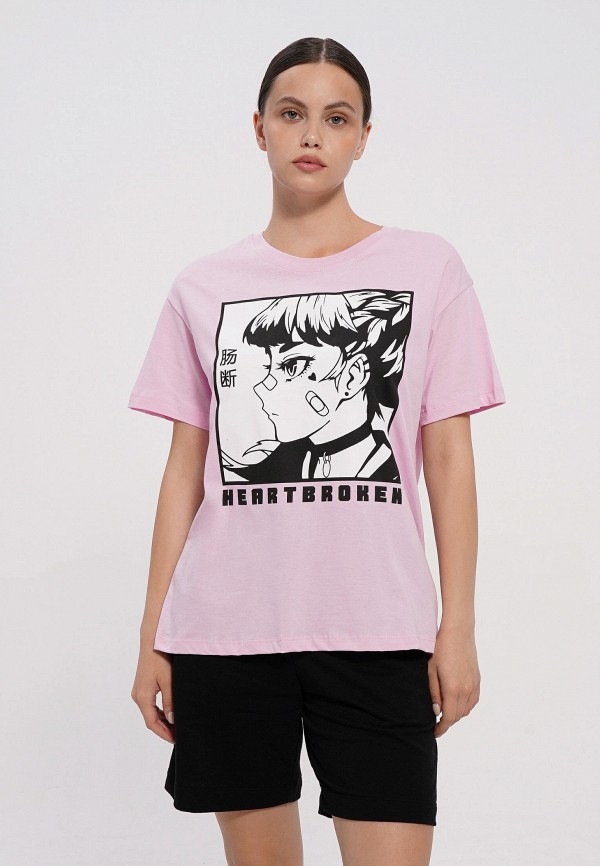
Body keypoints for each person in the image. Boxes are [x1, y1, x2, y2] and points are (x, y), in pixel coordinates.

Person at [128, 36, 506, 866]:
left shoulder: (428, 268)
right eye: (292, 114)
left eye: (337, 119)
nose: (312, 135)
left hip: (378, 629)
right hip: (224, 634)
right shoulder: (203, 285)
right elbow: (185, 471)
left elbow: (449, 459)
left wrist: (459, 626)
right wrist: (153, 633)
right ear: (258, 128)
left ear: (364, 136)